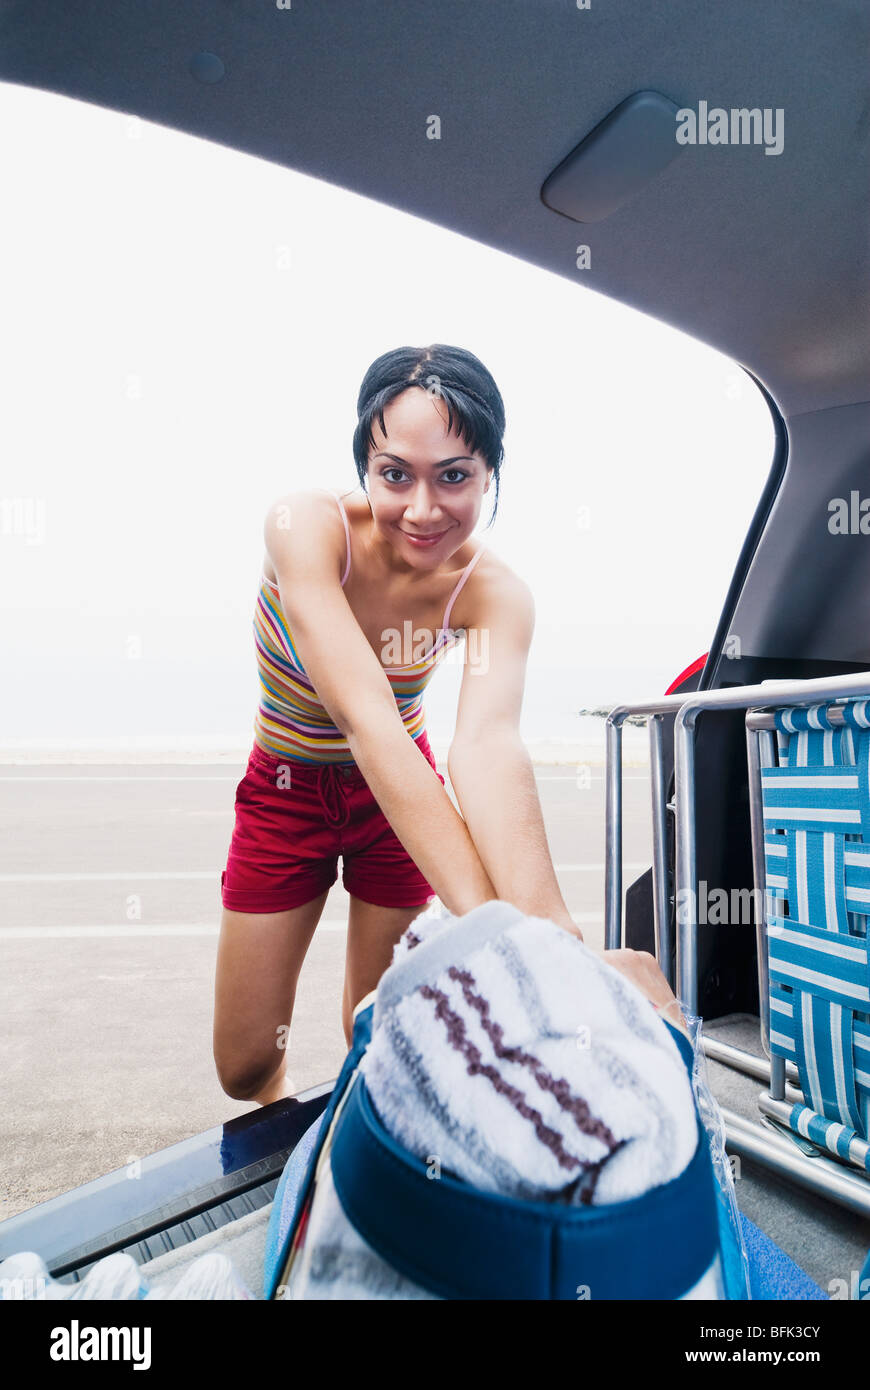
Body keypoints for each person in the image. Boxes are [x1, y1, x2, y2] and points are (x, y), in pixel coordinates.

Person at [213, 343, 681, 1107]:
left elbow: (486, 747)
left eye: (454, 476)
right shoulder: (305, 527)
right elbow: (366, 720)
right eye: (395, 473)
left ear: (491, 472)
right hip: (288, 787)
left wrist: (552, 938)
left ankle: (363, 1159)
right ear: (364, 464)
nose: (423, 510)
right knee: (242, 1066)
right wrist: (508, 932)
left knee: (377, 1026)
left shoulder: (495, 593)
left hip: (394, 796)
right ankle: (284, 1122)